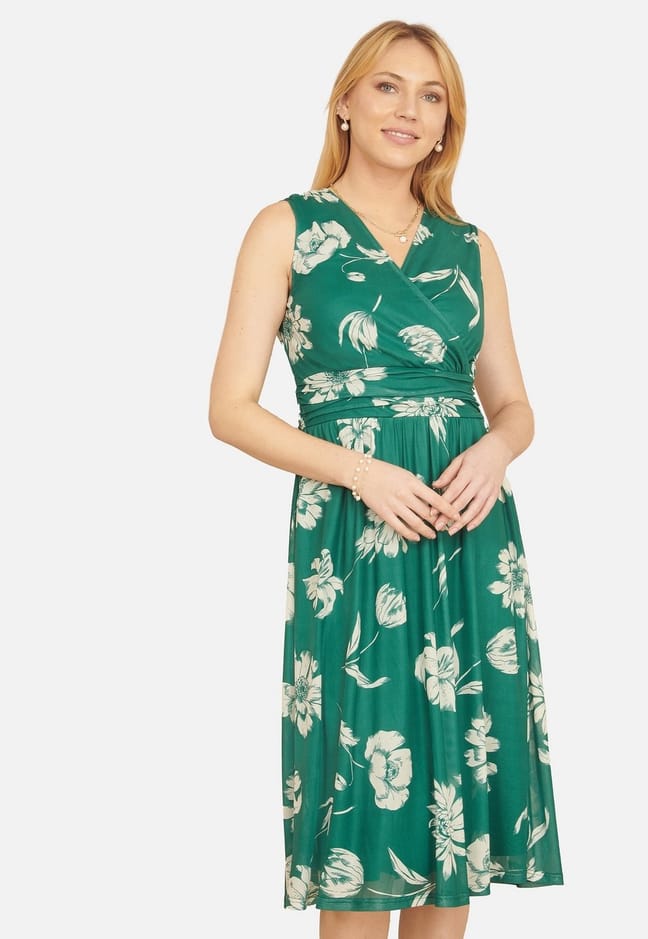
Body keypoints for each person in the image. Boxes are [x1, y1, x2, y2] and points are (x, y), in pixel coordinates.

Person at [209, 19, 564, 939]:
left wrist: (495, 449)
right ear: (345, 102)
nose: (409, 110)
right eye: (388, 86)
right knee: (362, 818)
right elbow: (230, 408)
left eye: (431, 96)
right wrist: (359, 472)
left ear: (447, 125)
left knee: (454, 810)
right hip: (353, 543)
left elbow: (515, 404)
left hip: (468, 535)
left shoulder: (471, 245)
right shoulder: (287, 228)